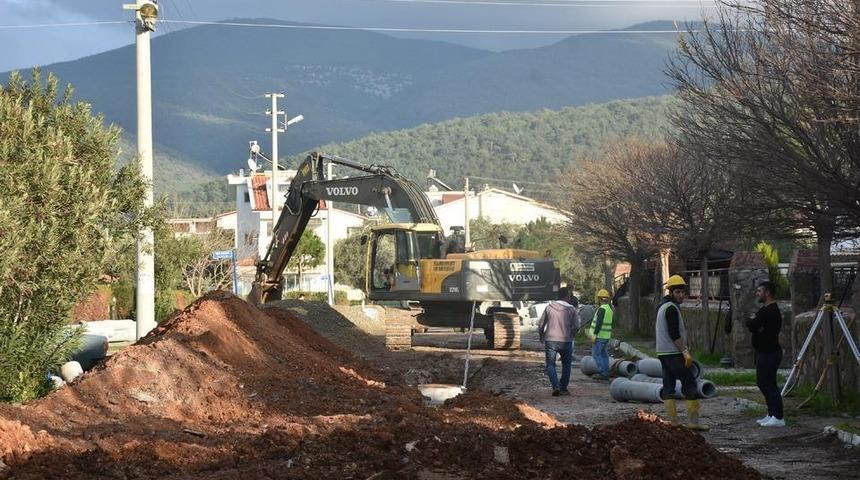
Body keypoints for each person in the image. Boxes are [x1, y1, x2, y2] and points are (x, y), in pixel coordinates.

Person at [655, 275, 708, 431]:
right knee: (690, 383)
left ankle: (673, 422)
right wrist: (685, 352)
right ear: (671, 293)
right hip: (673, 353)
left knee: (668, 386)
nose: (681, 295)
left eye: (682, 292)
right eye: (677, 292)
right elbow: (674, 334)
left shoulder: (662, 306)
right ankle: (693, 422)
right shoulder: (671, 308)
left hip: (662, 353)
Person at [747, 281, 785, 427]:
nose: (757, 293)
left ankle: (778, 416)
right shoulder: (765, 310)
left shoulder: (770, 311)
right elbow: (753, 325)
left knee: (768, 383)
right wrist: (754, 324)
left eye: (759, 291)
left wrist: (754, 323)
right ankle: (771, 413)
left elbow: (753, 324)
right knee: (763, 383)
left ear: (767, 293)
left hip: (769, 353)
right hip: (763, 352)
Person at [538, 287, 581, 396]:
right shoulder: (572, 309)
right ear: (567, 296)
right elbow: (577, 326)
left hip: (551, 340)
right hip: (566, 340)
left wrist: (541, 335)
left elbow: (541, 324)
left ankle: (555, 386)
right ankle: (563, 388)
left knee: (550, 364)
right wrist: (572, 334)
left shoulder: (549, 307)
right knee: (566, 364)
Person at [588, 289, 614, 380]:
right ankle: (606, 372)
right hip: (606, 336)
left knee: (596, 354)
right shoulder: (609, 309)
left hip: (599, 336)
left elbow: (599, 323)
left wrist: (594, 334)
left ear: (599, 299)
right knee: (604, 355)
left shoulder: (602, 309)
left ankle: (602, 372)